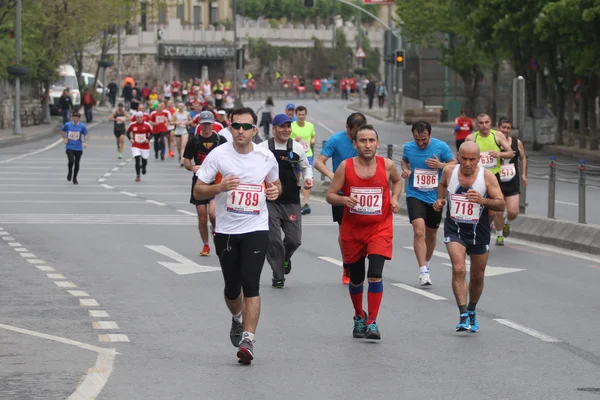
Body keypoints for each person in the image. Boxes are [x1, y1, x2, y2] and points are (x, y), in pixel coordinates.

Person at [194, 107, 281, 365]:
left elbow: (275, 184)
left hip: (256, 227)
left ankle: (248, 339)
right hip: (227, 231)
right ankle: (237, 317)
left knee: (251, 282)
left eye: (246, 126)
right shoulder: (218, 155)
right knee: (233, 288)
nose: (240, 131)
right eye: (236, 126)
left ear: (255, 130)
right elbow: (198, 190)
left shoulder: (266, 157)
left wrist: (275, 191)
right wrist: (220, 187)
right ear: (230, 128)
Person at [326, 124, 402, 340]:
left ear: (377, 143)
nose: (367, 145)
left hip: (380, 228)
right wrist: (342, 199)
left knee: (375, 274)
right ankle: (359, 315)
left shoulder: (386, 165)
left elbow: (397, 181)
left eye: (371, 141)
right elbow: (330, 195)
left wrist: (395, 198)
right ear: (355, 144)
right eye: (363, 141)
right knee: (357, 279)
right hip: (352, 231)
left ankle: (372, 322)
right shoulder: (345, 167)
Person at [433, 142, 505, 332]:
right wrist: (440, 200)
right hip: (454, 229)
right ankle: (463, 313)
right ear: (458, 156)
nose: (467, 163)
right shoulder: (449, 171)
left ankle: (472, 309)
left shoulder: (486, 177)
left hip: (478, 231)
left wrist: (482, 200)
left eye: (472, 159)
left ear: (479, 159)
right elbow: (442, 185)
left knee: (477, 275)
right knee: (458, 269)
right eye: (463, 158)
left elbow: (500, 204)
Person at [259, 114, 313, 288]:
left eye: (288, 127)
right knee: (273, 241)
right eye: (282, 127)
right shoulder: (263, 148)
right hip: (270, 200)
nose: (286, 130)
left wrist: (308, 178)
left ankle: (285, 259)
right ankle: (278, 275)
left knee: (294, 240)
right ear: (273, 129)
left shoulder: (296, 147)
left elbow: (306, 167)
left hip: (291, 200)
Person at [315, 112, 367, 285]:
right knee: (345, 231)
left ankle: (358, 260)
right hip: (342, 194)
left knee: (363, 232)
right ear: (348, 128)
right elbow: (319, 162)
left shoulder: (367, 140)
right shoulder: (336, 140)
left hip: (364, 194)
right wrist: (332, 175)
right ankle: (347, 264)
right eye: (355, 133)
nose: (359, 138)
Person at [401, 121, 456, 286]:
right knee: (419, 232)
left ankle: (427, 262)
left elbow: (454, 164)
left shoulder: (441, 147)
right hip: (414, 194)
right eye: (417, 139)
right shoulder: (409, 148)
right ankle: (423, 270)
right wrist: (406, 170)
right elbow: (404, 160)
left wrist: (440, 165)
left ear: (430, 135)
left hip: (435, 196)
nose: (420, 143)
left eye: (424, 139)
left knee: (431, 235)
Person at [184, 111, 228, 256]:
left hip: (216, 181)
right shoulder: (194, 141)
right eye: (204, 124)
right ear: (200, 125)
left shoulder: (220, 140)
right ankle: (205, 245)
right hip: (200, 181)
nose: (207, 127)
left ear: (213, 123)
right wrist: (192, 167)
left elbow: (229, 158)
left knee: (213, 214)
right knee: (202, 215)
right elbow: (186, 160)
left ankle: (216, 231)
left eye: (209, 123)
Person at [494, 118, 528, 245]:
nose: (505, 130)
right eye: (503, 127)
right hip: (497, 181)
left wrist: (524, 174)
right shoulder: (495, 142)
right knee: (498, 211)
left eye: (508, 128)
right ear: (498, 128)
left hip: (512, 180)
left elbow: (523, 158)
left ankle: (506, 223)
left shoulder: (516, 142)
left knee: (513, 212)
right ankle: (499, 235)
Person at [291, 105, 316, 215]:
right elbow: (286, 139)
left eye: (303, 115)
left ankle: (305, 203)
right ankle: (295, 201)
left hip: (307, 155)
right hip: (295, 155)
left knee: (308, 179)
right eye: (299, 115)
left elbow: (313, 135)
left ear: (306, 115)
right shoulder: (291, 126)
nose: (301, 117)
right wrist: (294, 140)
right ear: (296, 115)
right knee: (296, 179)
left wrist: (313, 141)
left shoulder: (310, 126)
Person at [60, 112, 88, 185]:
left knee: (77, 163)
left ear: (79, 118)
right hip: (69, 146)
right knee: (71, 160)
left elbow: (86, 134)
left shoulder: (82, 126)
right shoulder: (68, 125)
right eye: (74, 118)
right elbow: (62, 130)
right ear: (72, 118)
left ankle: (75, 178)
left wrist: (84, 142)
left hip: (78, 148)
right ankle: (70, 172)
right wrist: (64, 138)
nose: (75, 119)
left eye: (77, 118)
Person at [172, 102, 192, 166]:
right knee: (178, 146)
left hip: (184, 131)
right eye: (179, 106)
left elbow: (191, 120)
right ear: (178, 107)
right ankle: (180, 157)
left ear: (183, 107)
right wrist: (176, 123)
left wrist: (187, 122)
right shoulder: (175, 114)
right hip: (177, 131)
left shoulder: (187, 114)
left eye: (181, 106)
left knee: (183, 146)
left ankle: (182, 160)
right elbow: (171, 121)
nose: (180, 107)